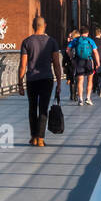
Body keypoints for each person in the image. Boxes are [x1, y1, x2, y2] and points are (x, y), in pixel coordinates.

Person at [19, 16, 63, 146]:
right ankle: (41, 139)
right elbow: (56, 64)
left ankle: (33, 136)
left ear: (33, 26)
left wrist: (20, 83)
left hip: (32, 79)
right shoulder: (52, 42)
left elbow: (23, 65)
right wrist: (59, 83)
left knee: (32, 107)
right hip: (46, 79)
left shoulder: (26, 42)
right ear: (45, 25)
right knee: (43, 107)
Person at [71, 26, 98, 105]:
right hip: (88, 61)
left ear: (80, 33)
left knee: (80, 80)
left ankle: (80, 99)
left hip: (79, 61)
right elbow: (95, 52)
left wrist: (71, 57)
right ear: (87, 33)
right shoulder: (90, 40)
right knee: (90, 80)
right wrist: (98, 63)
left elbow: (68, 49)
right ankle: (88, 98)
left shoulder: (76, 40)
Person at [63, 29, 79, 101]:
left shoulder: (70, 43)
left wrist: (63, 64)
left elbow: (65, 54)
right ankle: (75, 94)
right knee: (77, 79)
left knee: (71, 80)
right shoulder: (80, 42)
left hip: (70, 63)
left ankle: (72, 95)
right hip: (78, 63)